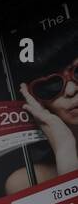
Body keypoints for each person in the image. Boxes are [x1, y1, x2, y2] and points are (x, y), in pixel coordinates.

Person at [6, 54, 78, 194]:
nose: (71, 90)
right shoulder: (28, 181)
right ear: (34, 101)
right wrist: (65, 150)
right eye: (51, 84)